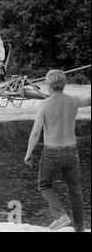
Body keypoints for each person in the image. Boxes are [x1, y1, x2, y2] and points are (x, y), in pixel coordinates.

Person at [24, 70, 91, 232]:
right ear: (64, 84)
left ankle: (60, 215)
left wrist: (28, 153)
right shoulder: (73, 101)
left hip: (52, 152)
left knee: (44, 185)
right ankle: (80, 229)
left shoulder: (45, 105)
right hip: (71, 151)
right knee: (75, 191)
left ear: (48, 86)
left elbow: (35, 133)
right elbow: (89, 100)